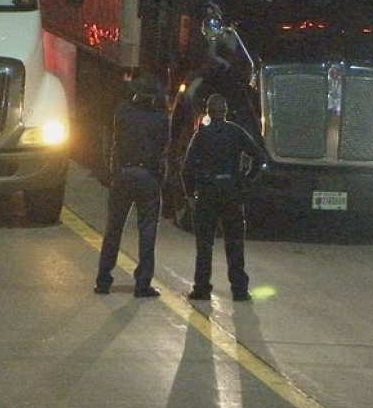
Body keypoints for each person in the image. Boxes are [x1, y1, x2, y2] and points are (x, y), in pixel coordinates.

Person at [181, 93, 267, 301]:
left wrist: (190, 193)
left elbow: (187, 168)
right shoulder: (236, 132)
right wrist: (246, 181)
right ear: (226, 111)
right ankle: (239, 289)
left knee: (204, 244)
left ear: (209, 112)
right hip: (231, 193)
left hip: (207, 193)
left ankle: (201, 288)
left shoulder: (201, 136)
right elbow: (259, 157)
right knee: (235, 243)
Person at [94, 75, 170, 298]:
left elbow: (113, 141)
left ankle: (103, 279)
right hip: (148, 176)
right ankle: (142, 283)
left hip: (123, 175)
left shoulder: (123, 111)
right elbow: (164, 148)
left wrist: (112, 172)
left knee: (114, 228)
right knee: (147, 230)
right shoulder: (161, 118)